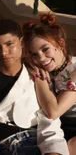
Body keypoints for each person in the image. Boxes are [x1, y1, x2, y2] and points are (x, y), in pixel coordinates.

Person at [0, 18, 69, 155]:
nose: (3, 52)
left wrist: (54, 151)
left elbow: (50, 122)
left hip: (28, 141)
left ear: (21, 43)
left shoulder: (40, 78)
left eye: (9, 44)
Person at [23, 13, 76, 154]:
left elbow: (53, 111)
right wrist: (30, 66)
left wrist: (38, 79)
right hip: (64, 125)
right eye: (34, 54)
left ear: (61, 44)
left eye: (45, 49)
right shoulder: (44, 69)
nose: (41, 58)